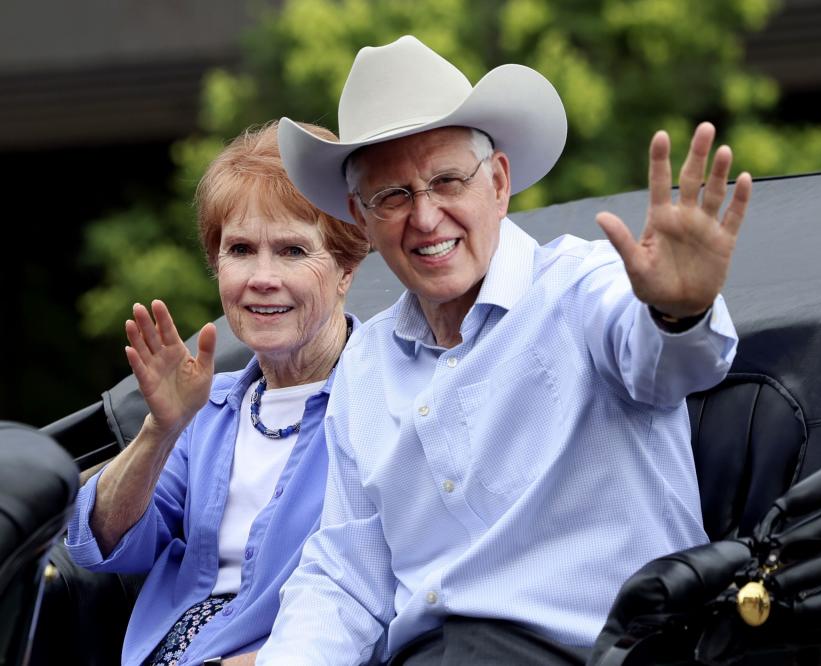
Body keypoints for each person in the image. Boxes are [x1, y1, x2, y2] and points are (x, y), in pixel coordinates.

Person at [257, 35, 752, 664]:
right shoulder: (365, 363)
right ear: (360, 218)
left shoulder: (581, 285)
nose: (427, 217)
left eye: (446, 181)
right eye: (394, 196)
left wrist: (679, 310)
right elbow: (345, 576)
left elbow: (670, 363)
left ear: (498, 182)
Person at [65, 121, 369, 666]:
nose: (262, 277)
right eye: (241, 250)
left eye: (293, 250)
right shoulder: (210, 405)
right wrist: (161, 430)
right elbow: (104, 545)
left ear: (347, 266)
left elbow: (384, 593)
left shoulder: (388, 399)